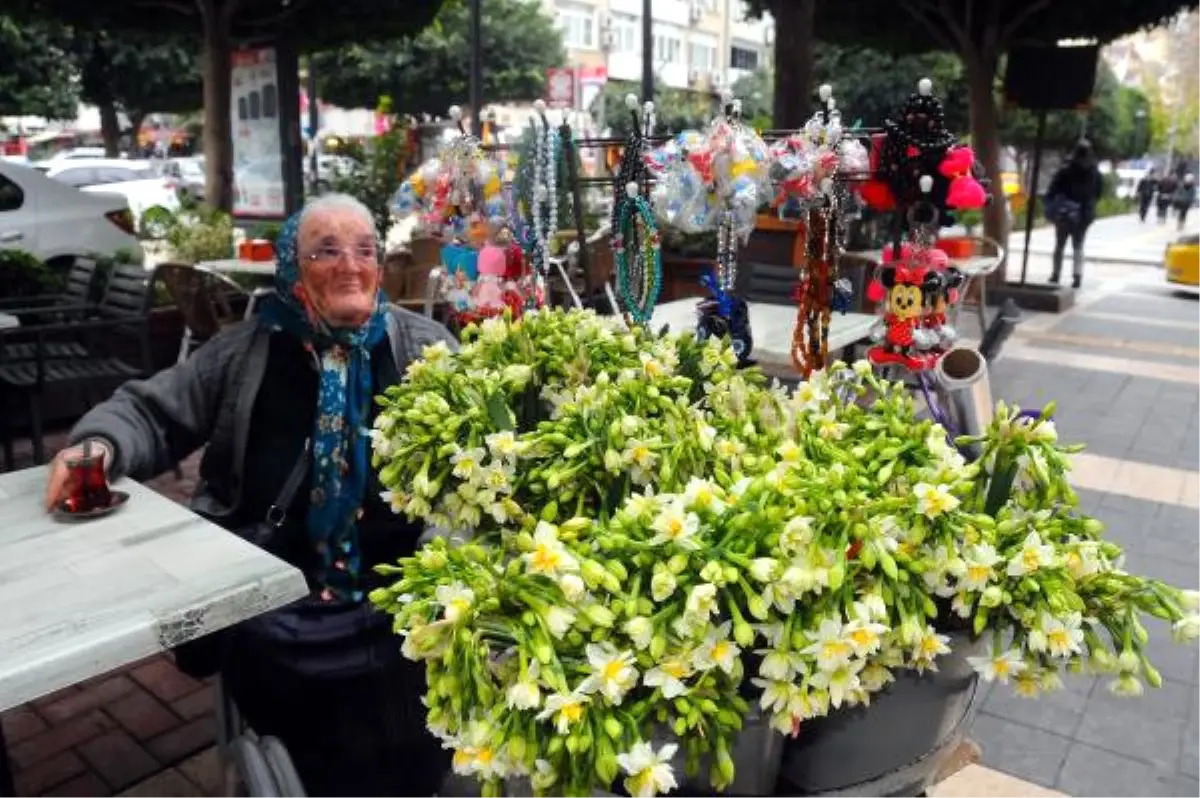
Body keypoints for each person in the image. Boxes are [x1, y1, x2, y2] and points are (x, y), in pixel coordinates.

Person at [43, 194, 457, 798]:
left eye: (364, 249)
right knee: (313, 755)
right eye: (326, 251)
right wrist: (98, 448)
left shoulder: (427, 350)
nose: (350, 265)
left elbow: (487, 451)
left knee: (409, 752)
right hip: (274, 605)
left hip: (402, 604)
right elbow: (149, 411)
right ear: (292, 268)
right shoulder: (245, 351)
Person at [1045, 140, 1103, 289]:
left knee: (1059, 245)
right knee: (1078, 246)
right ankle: (1077, 276)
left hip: (1065, 213)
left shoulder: (1066, 170)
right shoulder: (1095, 172)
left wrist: (1053, 204)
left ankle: (1055, 274)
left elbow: (1052, 190)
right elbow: (1098, 193)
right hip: (1084, 214)